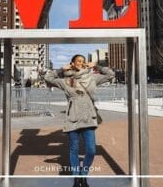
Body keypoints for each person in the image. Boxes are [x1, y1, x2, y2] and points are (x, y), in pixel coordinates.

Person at [44, 54, 115, 187]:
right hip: (73, 118)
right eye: (78, 61)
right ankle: (77, 178)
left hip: (89, 117)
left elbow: (110, 75)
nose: (80, 63)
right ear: (72, 63)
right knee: (74, 150)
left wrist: (97, 66)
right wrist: (61, 70)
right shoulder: (65, 80)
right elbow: (47, 78)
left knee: (91, 150)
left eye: (82, 61)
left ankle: (84, 174)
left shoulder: (92, 77)